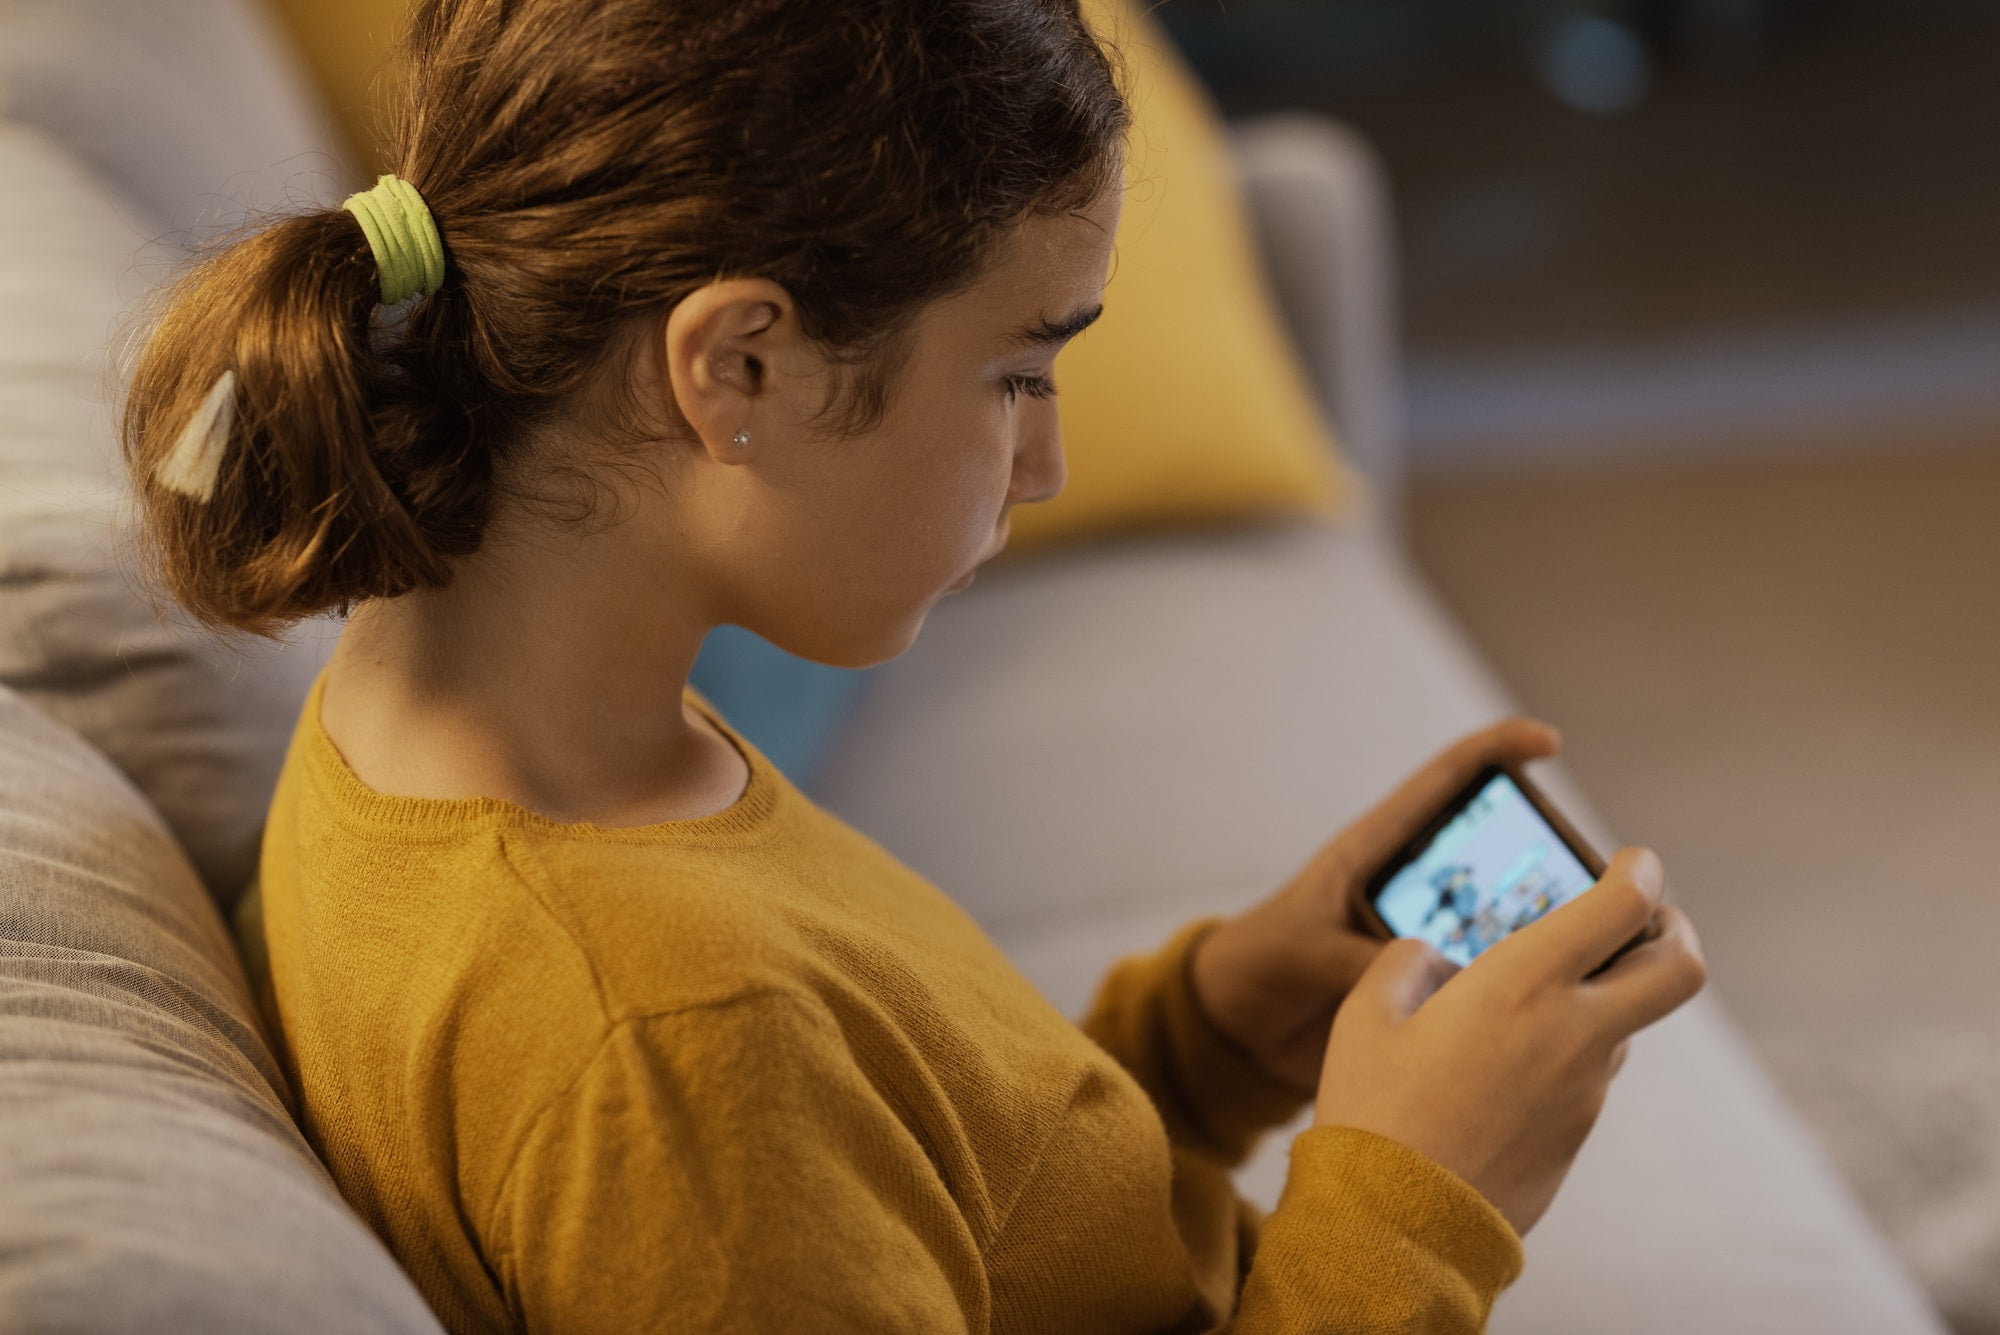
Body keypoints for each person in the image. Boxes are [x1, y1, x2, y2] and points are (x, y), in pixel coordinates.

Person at [115, 1, 1707, 1330]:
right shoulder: (678, 1044)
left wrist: (1214, 1038)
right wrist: (1417, 1209)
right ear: (739, 366)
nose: (1049, 463)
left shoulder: (475, 730)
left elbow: (942, 1207)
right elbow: (766, 1141)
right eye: (1019, 374)